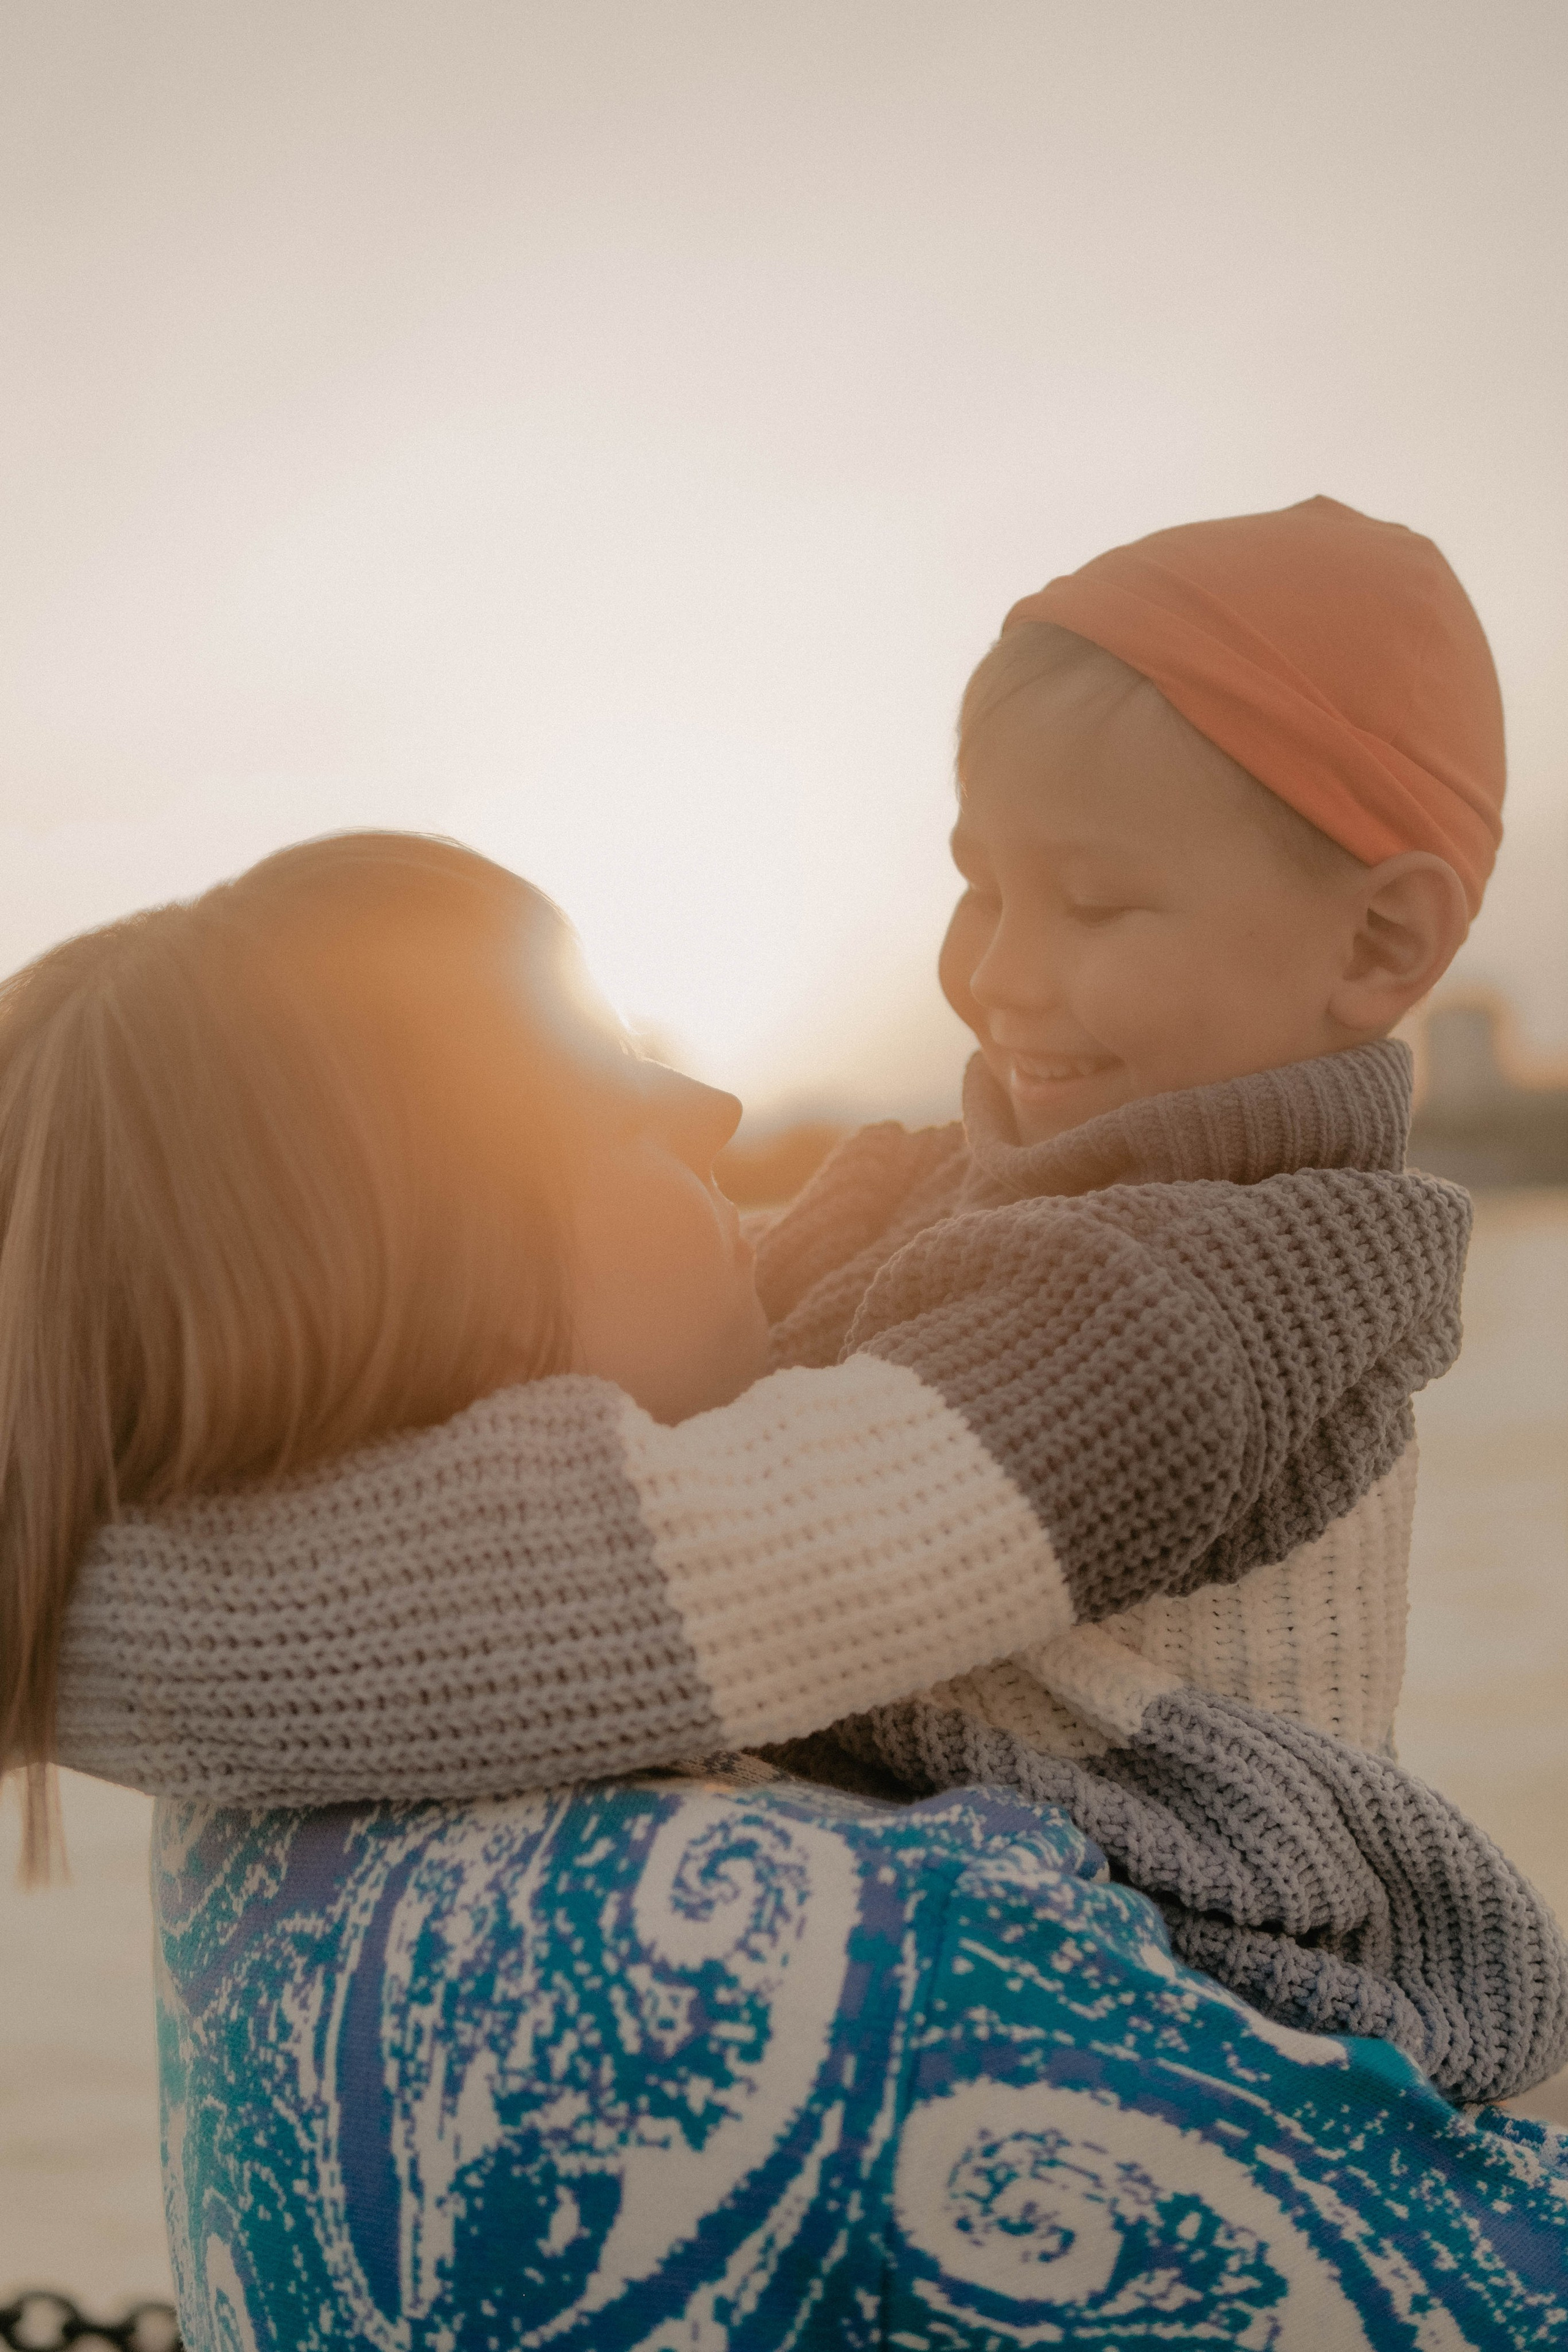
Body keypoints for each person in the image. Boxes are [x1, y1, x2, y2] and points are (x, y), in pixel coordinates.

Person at [51, 502, 1567, 2103]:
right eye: (980, 885)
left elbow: (668, 1564)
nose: (998, 972)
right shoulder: (918, 1196)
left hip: (1231, 2011)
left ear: (1381, 939)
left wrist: (62, 1609)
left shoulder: (1210, 1297)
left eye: (1099, 903)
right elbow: (566, 1419)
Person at [1, 824, 1561, 2340]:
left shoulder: (255, 1799)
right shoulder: (839, 1973)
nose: (708, 1106)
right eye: (600, 1097)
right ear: (429, 1279)